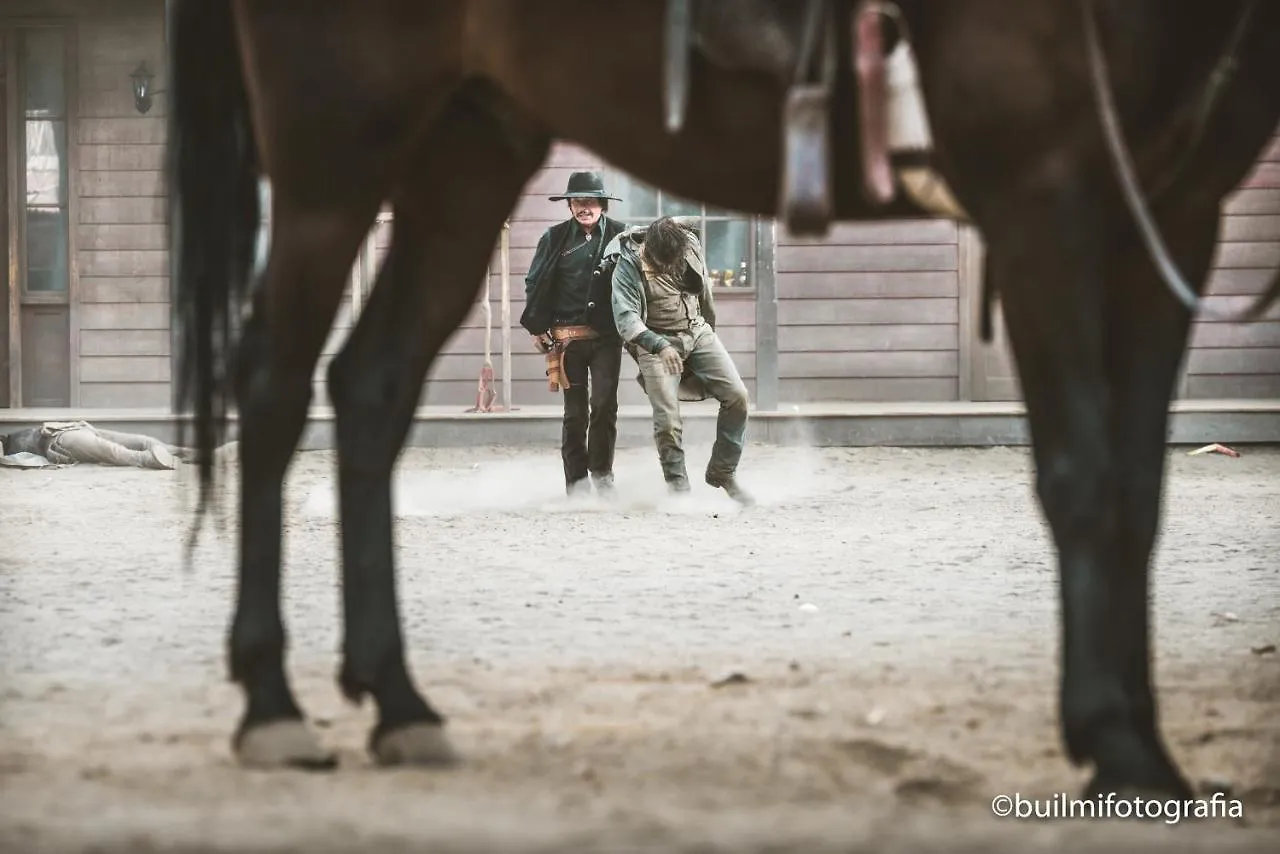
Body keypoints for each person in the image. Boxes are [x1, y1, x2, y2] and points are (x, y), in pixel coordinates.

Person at [607, 216, 754, 505]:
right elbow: (626, 320)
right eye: (662, 263)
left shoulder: (689, 243)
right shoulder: (627, 265)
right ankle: (679, 489)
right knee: (667, 422)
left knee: (738, 396)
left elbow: (705, 293)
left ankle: (723, 472)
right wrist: (660, 346)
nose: (667, 268)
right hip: (654, 341)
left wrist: (709, 331)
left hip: (697, 331)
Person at [520, 171, 629, 496]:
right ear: (570, 205)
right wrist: (537, 328)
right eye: (579, 201)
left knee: (605, 404)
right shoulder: (553, 239)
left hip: (607, 337)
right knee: (575, 413)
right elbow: (534, 282)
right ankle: (577, 484)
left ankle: (602, 475)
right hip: (567, 338)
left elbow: (635, 284)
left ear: (602, 205)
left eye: (591, 201)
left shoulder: (622, 237)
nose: (585, 207)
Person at [0, 421, 181, 469]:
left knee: (140, 441)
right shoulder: (7, 450)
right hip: (61, 441)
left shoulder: (7, 438)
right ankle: (153, 459)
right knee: (112, 451)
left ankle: (183, 452)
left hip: (68, 431)